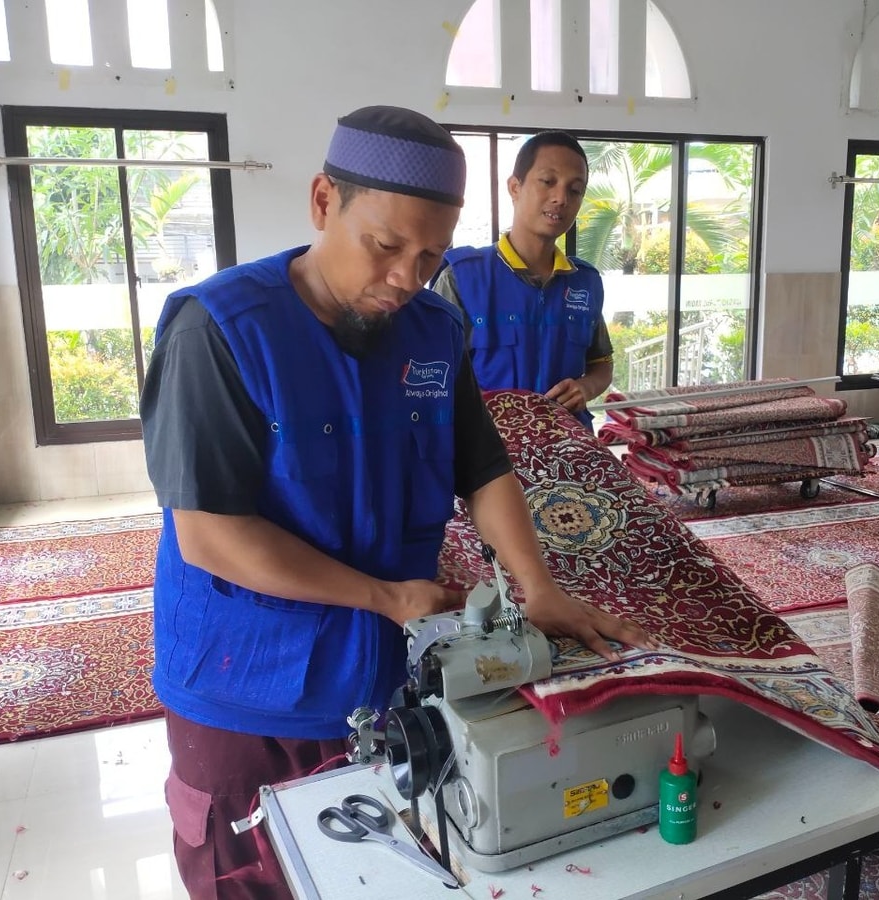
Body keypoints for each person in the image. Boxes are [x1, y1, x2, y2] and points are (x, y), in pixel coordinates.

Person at [139, 106, 652, 900]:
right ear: (322, 203)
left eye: (430, 255)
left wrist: (538, 588)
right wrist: (384, 596)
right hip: (245, 685)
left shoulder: (433, 332)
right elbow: (210, 534)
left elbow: (481, 468)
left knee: (378, 869)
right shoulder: (222, 331)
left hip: (374, 678)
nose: (407, 277)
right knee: (248, 877)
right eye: (385, 247)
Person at [430, 131, 613, 430]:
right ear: (515, 187)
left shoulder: (585, 283)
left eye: (575, 189)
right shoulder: (462, 277)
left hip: (568, 450)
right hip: (487, 455)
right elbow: (434, 373)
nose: (560, 198)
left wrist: (587, 387)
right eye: (548, 181)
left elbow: (601, 363)